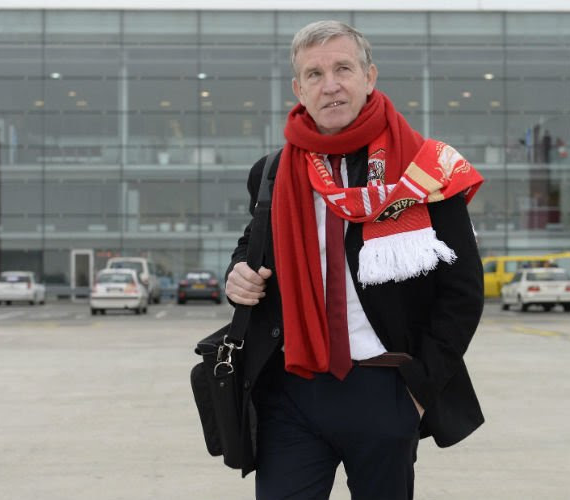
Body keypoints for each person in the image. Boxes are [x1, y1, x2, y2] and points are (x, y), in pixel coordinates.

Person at [224, 20, 485, 500]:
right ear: (299, 89)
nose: (331, 85)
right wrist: (236, 275)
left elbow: (463, 292)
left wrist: (418, 391)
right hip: (289, 390)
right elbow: (252, 247)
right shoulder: (272, 171)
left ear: (370, 76)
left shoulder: (425, 168)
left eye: (343, 68)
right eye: (315, 74)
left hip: (385, 386)